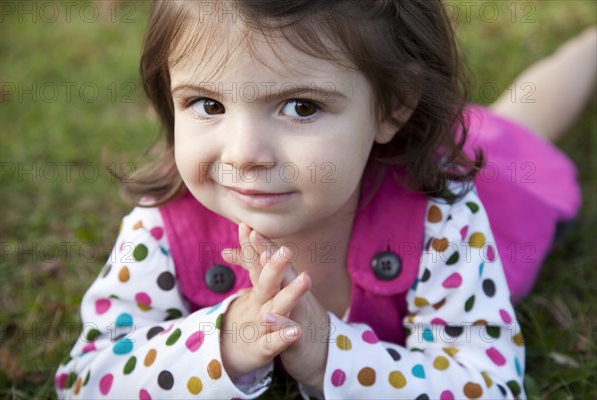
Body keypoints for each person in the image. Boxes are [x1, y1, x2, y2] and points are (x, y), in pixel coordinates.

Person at [55, 1, 595, 398]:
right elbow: (86, 379)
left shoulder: (441, 215)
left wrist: (330, 352)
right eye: (206, 103)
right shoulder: (164, 225)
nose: (244, 155)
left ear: (394, 106)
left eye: (302, 107)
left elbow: (488, 382)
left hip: (476, 180)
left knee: (516, 121)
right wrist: (224, 342)